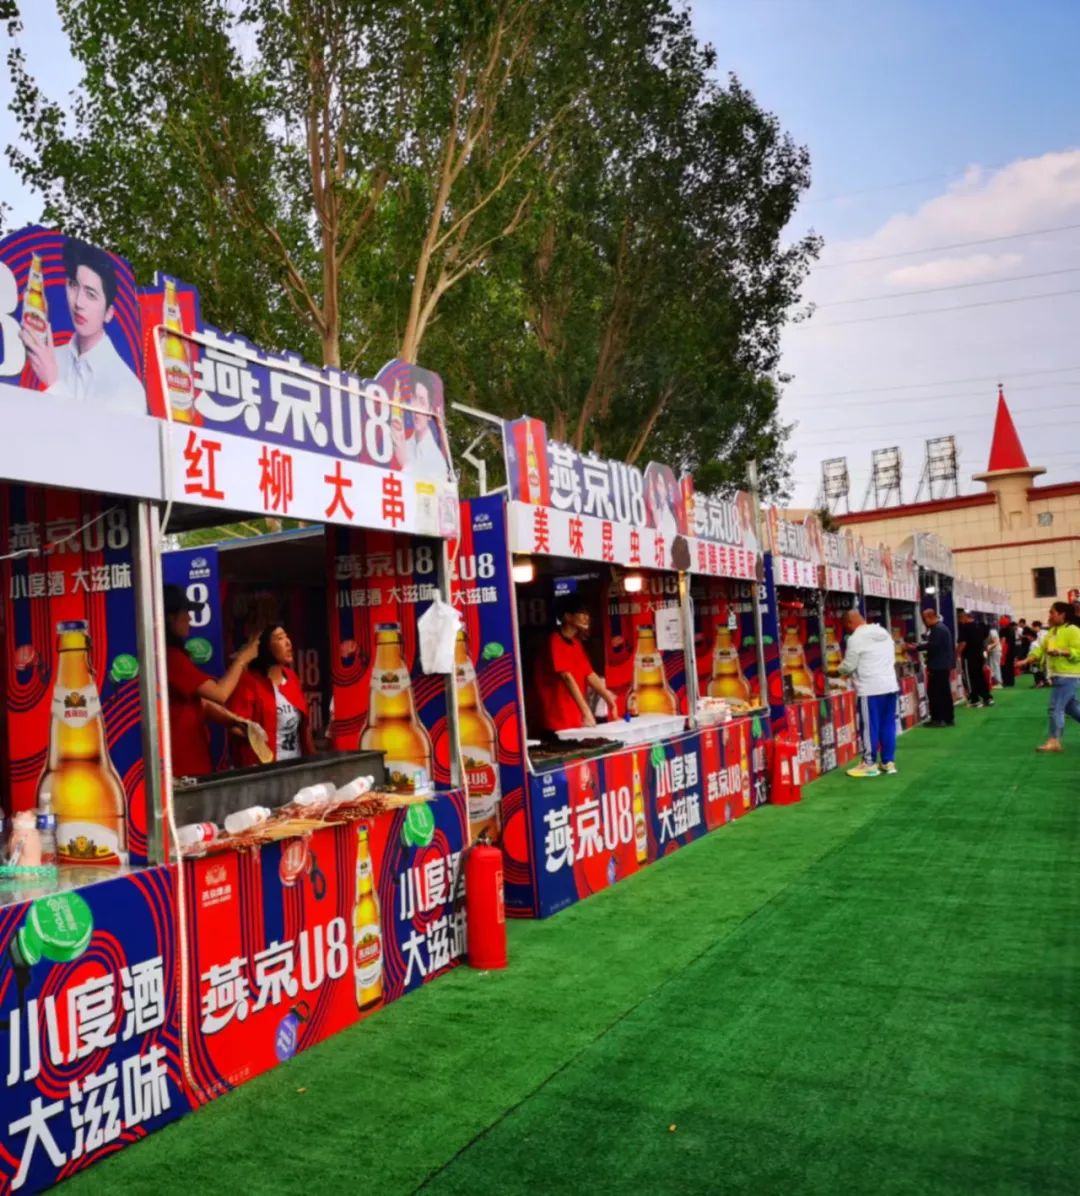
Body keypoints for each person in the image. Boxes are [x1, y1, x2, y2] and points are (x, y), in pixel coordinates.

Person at [19, 237, 146, 416]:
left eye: (91, 295)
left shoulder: (127, 386)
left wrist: (53, 383)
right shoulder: (52, 357)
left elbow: (92, 434)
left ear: (109, 313)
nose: (78, 302)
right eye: (73, 285)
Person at [164, 586, 259, 777]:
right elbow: (219, 694)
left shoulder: (176, 657)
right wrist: (242, 660)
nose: (190, 619)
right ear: (169, 618)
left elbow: (201, 701)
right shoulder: (170, 657)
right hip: (182, 766)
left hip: (193, 759)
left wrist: (234, 721)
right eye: (185, 613)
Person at [228, 624, 315, 766]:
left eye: (287, 637)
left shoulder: (292, 678)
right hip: (266, 768)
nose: (288, 642)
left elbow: (304, 726)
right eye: (279, 638)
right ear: (265, 647)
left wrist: (313, 759)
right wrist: (255, 739)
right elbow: (234, 726)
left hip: (296, 765)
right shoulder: (249, 682)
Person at [530, 596, 619, 733]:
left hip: (574, 715)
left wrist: (610, 701)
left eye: (587, 614)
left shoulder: (576, 643)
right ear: (567, 617)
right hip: (557, 717)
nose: (586, 617)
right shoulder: (555, 641)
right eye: (581, 613)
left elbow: (589, 674)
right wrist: (586, 711)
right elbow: (567, 677)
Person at [838, 610, 900, 777]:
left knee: (869, 727)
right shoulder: (883, 632)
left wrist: (837, 670)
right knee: (888, 725)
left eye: (847, 627)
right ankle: (888, 762)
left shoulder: (856, 638)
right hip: (890, 686)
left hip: (870, 688)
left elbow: (849, 665)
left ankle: (869, 763)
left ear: (849, 623)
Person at [1027, 602, 1080, 752]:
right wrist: (1028, 659)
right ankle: (1054, 740)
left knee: (1055, 707)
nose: (1049, 616)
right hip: (1058, 674)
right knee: (1070, 707)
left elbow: (1078, 652)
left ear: (1062, 614)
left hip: (1068, 675)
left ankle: (1054, 740)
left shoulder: (1073, 630)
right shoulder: (1053, 631)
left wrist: (1061, 652)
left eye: (1052, 613)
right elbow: (1041, 648)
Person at [392, 380, 448, 476]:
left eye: (422, 402)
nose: (416, 408)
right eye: (414, 399)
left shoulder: (437, 460)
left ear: (430, 411)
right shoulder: (405, 443)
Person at [919, 608, 955, 726]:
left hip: (938, 666)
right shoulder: (942, 628)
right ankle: (947, 717)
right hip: (942, 665)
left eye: (924, 619)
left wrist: (917, 647)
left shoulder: (937, 630)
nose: (924, 622)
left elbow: (933, 646)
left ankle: (938, 718)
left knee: (935, 693)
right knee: (944, 692)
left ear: (929, 618)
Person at [956, 608, 993, 708]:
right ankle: (987, 698)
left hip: (969, 657)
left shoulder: (964, 628)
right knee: (980, 676)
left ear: (963, 618)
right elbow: (986, 637)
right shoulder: (979, 626)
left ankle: (974, 700)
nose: (960, 622)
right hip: (979, 655)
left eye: (960, 619)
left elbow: (963, 643)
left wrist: (956, 654)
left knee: (969, 678)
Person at [999, 616, 1017, 688]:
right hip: (1012, 650)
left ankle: (1005, 681)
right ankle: (1011, 681)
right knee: (1010, 666)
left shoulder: (1003, 630)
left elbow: (1003, 641)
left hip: (1005, 649)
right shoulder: (1012, 630)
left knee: (1004, 666)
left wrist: (1000, 649)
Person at [986, 623, 1003, 687]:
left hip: (995, 651)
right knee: (992, 667)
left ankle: (998, 682)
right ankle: (995, 682)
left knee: (995, 667)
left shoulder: (992, 632)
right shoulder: (992, 631)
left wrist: (989, 647)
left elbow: (996, 642)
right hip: (993, 652)